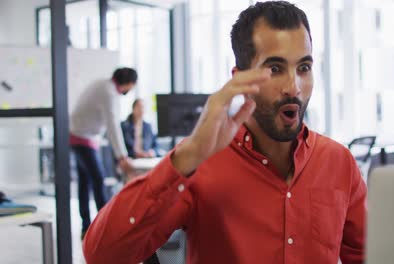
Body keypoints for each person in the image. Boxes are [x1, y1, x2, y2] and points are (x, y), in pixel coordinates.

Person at [83, 2, 367, 264]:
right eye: (275, 68)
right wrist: (189, 154)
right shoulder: (201, 165)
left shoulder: (338, 162)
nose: (294, 87)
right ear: (240, 78)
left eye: (303, 67)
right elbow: (102, 255)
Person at [70, 67, 136, 238]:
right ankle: (105, 228)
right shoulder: (109, 93)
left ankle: (87, 227)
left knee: (85, 183)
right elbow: (112, 124)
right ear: (128, 83)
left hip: (79, 136)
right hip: (83, 138)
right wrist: (122, 156)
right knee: (98, 180)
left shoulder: (102, 84)